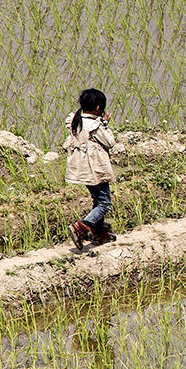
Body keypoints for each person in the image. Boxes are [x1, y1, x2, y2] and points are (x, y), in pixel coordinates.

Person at [64, 87, 119, 249]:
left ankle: (99, 233)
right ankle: (81, 226)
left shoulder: (76, 121)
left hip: (83, 170)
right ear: (98, 109)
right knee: (104, 203)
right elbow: (110, 142)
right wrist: (105, 124)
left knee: (97, 200)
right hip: (96, 169)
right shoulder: (95, 125)